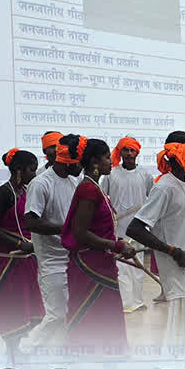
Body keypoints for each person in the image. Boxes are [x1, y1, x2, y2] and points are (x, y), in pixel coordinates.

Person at [127, 133, 185, 352]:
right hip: (180, 272)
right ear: (182, 153)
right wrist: (172, 251)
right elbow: (135, 228)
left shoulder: (184, 184)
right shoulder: (164, 187)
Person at [62, 138, 137, 354]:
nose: (111, 161)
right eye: (106, 157)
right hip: (90, 265)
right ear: (94, 161)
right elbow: (80, 232)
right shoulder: (88, 189)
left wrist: (116, 242)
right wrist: (115, 245)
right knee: (93, 319)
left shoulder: (95, 188)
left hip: (101, 262)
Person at [22, 134, 83, 351]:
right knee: (57, 315)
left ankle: (61, 353)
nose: (81, 166)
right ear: (68, 160)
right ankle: (27, 348)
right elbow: (31, 221)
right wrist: (67, 229)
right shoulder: (40, 183)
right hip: (51, 261)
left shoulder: (75, 181)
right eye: (79, 162)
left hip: (73, 258)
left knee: (71, 314)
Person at [0, 149, 43, 357]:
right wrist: (19, 243)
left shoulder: (26, 191)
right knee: (13, 306)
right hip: (8, 260)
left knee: (32, 307)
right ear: (18, 170)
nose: (34, 174)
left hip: (26, 259)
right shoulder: (3, 194)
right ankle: (12, 350)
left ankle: (15, 347)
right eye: (31, 170)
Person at [100, 136, 156, 312]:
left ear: (137, 153)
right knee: (122, 267)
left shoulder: (145, 175)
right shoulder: (111, 174)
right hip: (118, 229)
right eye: (126, 150)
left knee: (138, 267)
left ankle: (137, 302)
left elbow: (153, 200)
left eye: (132, 150)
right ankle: (125, 303)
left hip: (138, 228)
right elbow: (102, 199)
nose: (129, 153)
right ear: (120, 152)